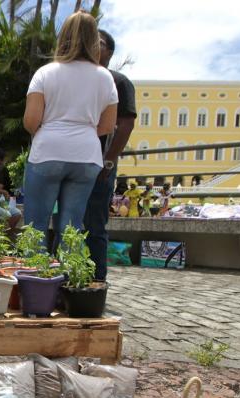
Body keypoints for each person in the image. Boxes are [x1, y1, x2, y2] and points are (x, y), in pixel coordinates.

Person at [22, 10, 118, 251]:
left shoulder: (46, 73)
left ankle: (37, 284)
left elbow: (31, 121)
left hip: (48, 152)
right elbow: (107, 125)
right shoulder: (105, 78)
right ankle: (69, 284)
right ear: (94, 40)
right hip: (86, 155)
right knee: (72, 227)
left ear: (63, 36)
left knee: (36, 226)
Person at [83, 29, 137, 281]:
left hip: (101, 163)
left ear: (109, 52)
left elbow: (125, 124)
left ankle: (96, 281)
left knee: (95, 224)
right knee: (67, 223)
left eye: (100, 42)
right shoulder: (79, 79)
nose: (94, 45)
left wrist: (110, 159)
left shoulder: (119, 82)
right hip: (75, 160)